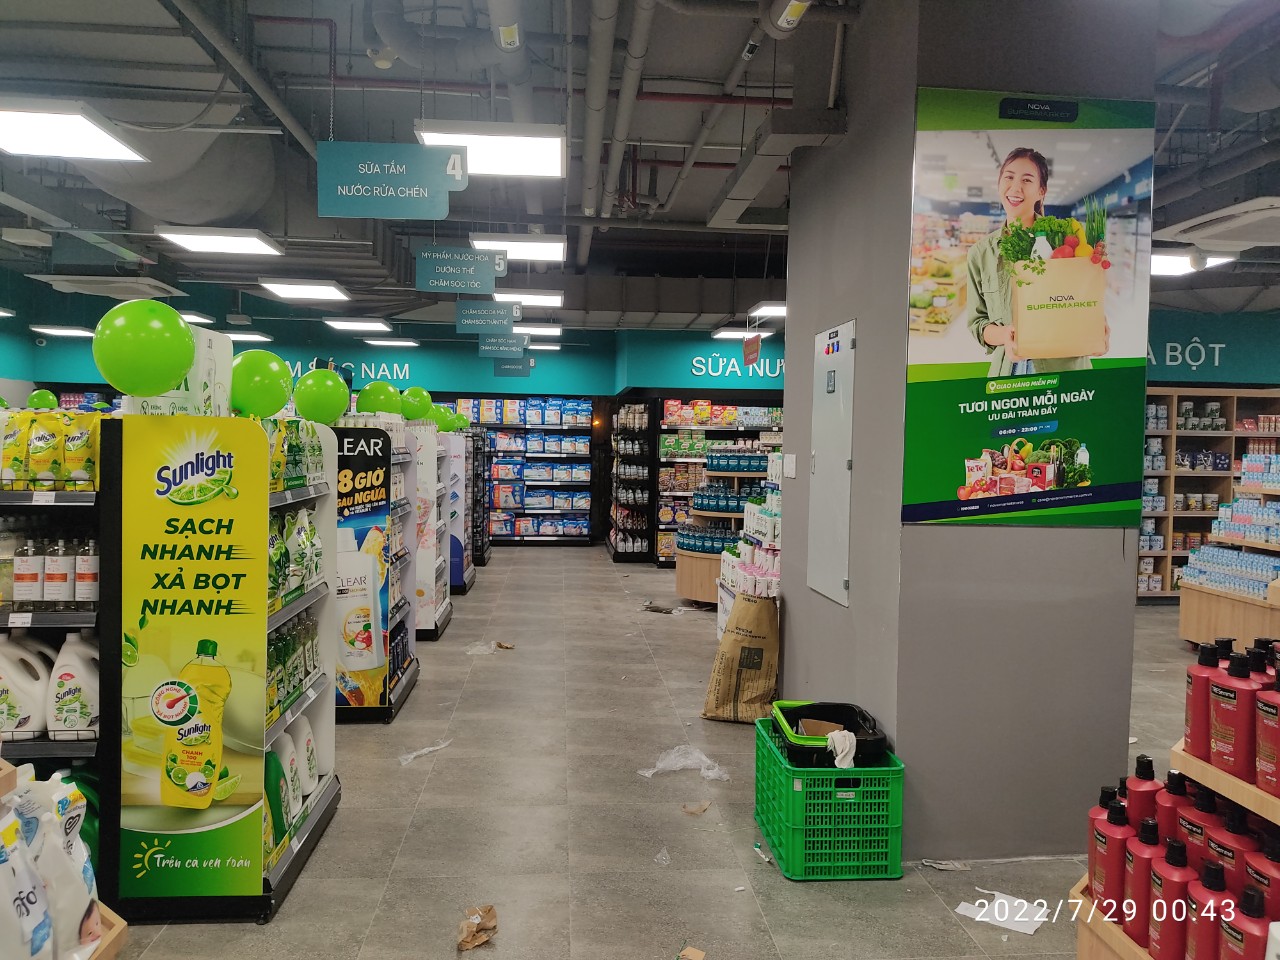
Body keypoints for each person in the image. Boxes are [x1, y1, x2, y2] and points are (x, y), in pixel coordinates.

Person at [967, 146, 1105, 377]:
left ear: (1041, 191)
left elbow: (1085, 304)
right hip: (1008, 373)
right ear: (999, 183)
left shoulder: (1066, 239)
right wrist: (1006, 335)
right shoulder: (981, 253)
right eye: (1009, 177)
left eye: (1027, 180)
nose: (1015, 187)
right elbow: (978, 323)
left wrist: (1099, 330)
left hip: (1064, 371)